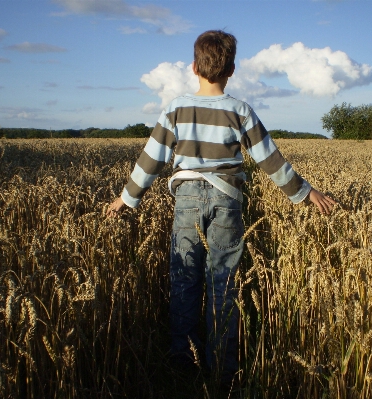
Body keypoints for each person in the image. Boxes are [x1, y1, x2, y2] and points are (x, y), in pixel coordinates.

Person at [107, 30, 336, 387]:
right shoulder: (239, 110)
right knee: (224, 281)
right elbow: (270, 160)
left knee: (184, 277)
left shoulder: (175, 108)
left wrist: (127, 197)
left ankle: (181, 359)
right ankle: (222, 369)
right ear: (231, 69)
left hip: (185, 201)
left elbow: (151, 159)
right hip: (227, 201)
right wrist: (304, 192)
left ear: (194, 67)